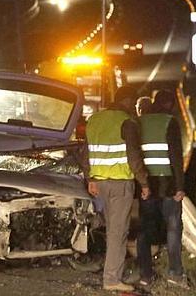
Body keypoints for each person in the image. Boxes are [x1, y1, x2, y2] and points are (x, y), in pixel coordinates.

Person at [84, 85, 151, 292]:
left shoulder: (94, 120)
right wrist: (144, 182)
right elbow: (133, 156)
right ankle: (112, 278)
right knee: (118, 232)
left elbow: (85, 152)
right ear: (128, 101)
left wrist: (90, 179)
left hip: (100, 184)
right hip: (120, 183)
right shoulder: (127, 122)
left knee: (112, 229)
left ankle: (110, 272)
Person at [136, 89, 188, 289]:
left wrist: (141, 183)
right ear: (171, 105)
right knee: (173, 228)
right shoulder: (170, 122)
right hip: (168, 185)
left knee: (145, 230)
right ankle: (175, 273)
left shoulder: (140, 122)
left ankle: (146, 275)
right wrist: (180, 187)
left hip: (147, 185)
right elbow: (176, 156)